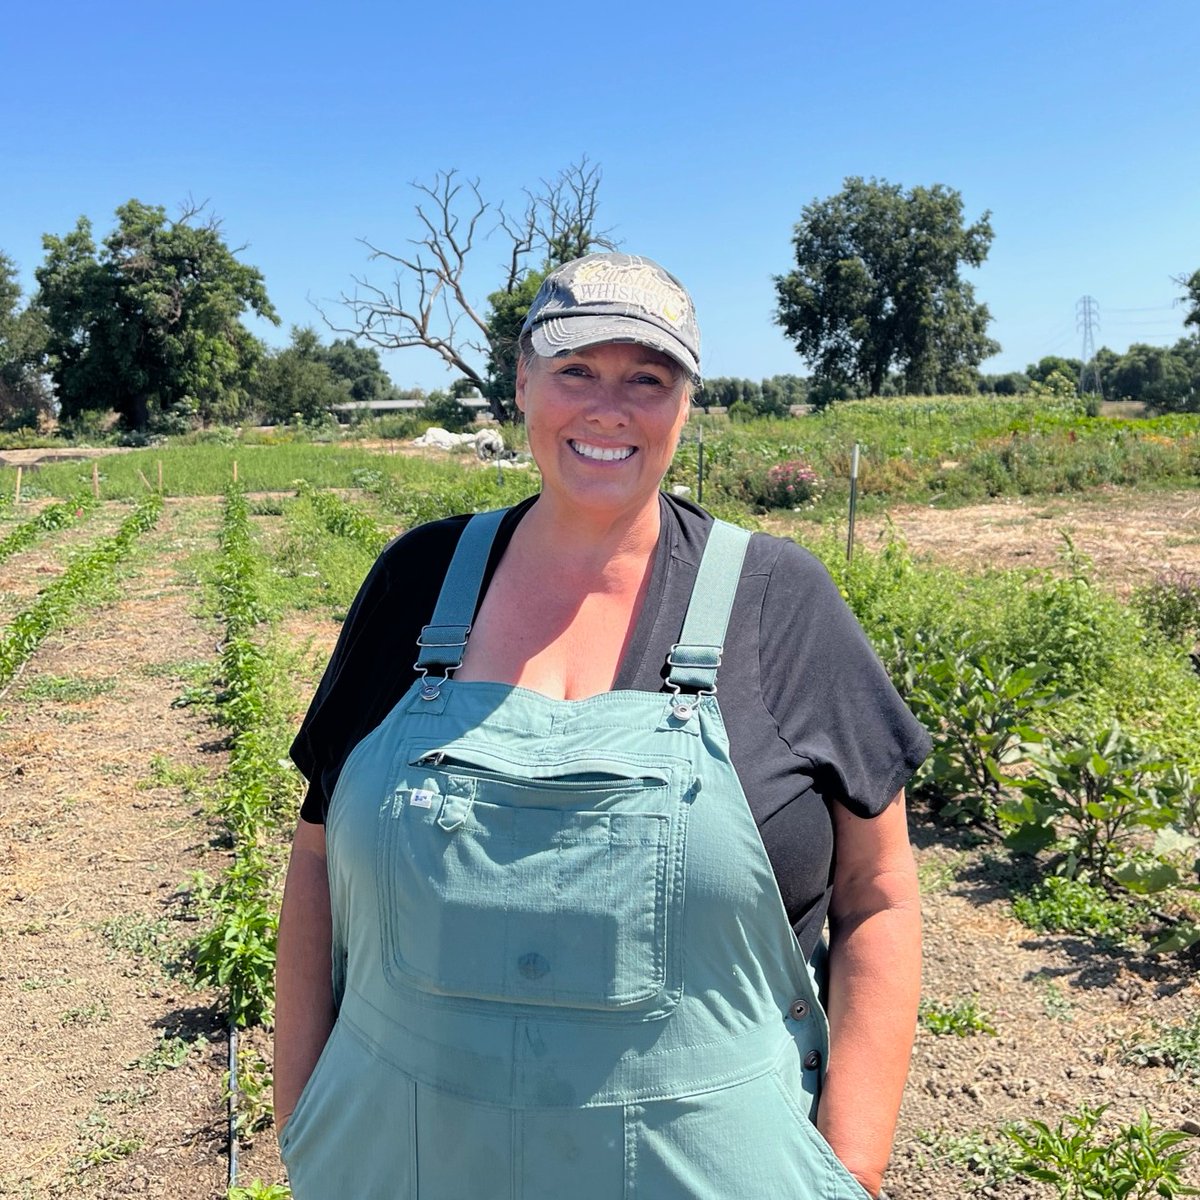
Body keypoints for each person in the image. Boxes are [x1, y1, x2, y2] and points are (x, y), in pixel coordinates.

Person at [275, 252, 929, 1199]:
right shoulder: (414, 582)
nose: (607, 407)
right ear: (522, 383)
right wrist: (304, 1118)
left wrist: (853, 1163)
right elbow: (314, 853)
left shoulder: (780, 603)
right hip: (396, 1165)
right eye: (576, 368)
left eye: (647, 379)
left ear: (685, 405)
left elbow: (879, 892)